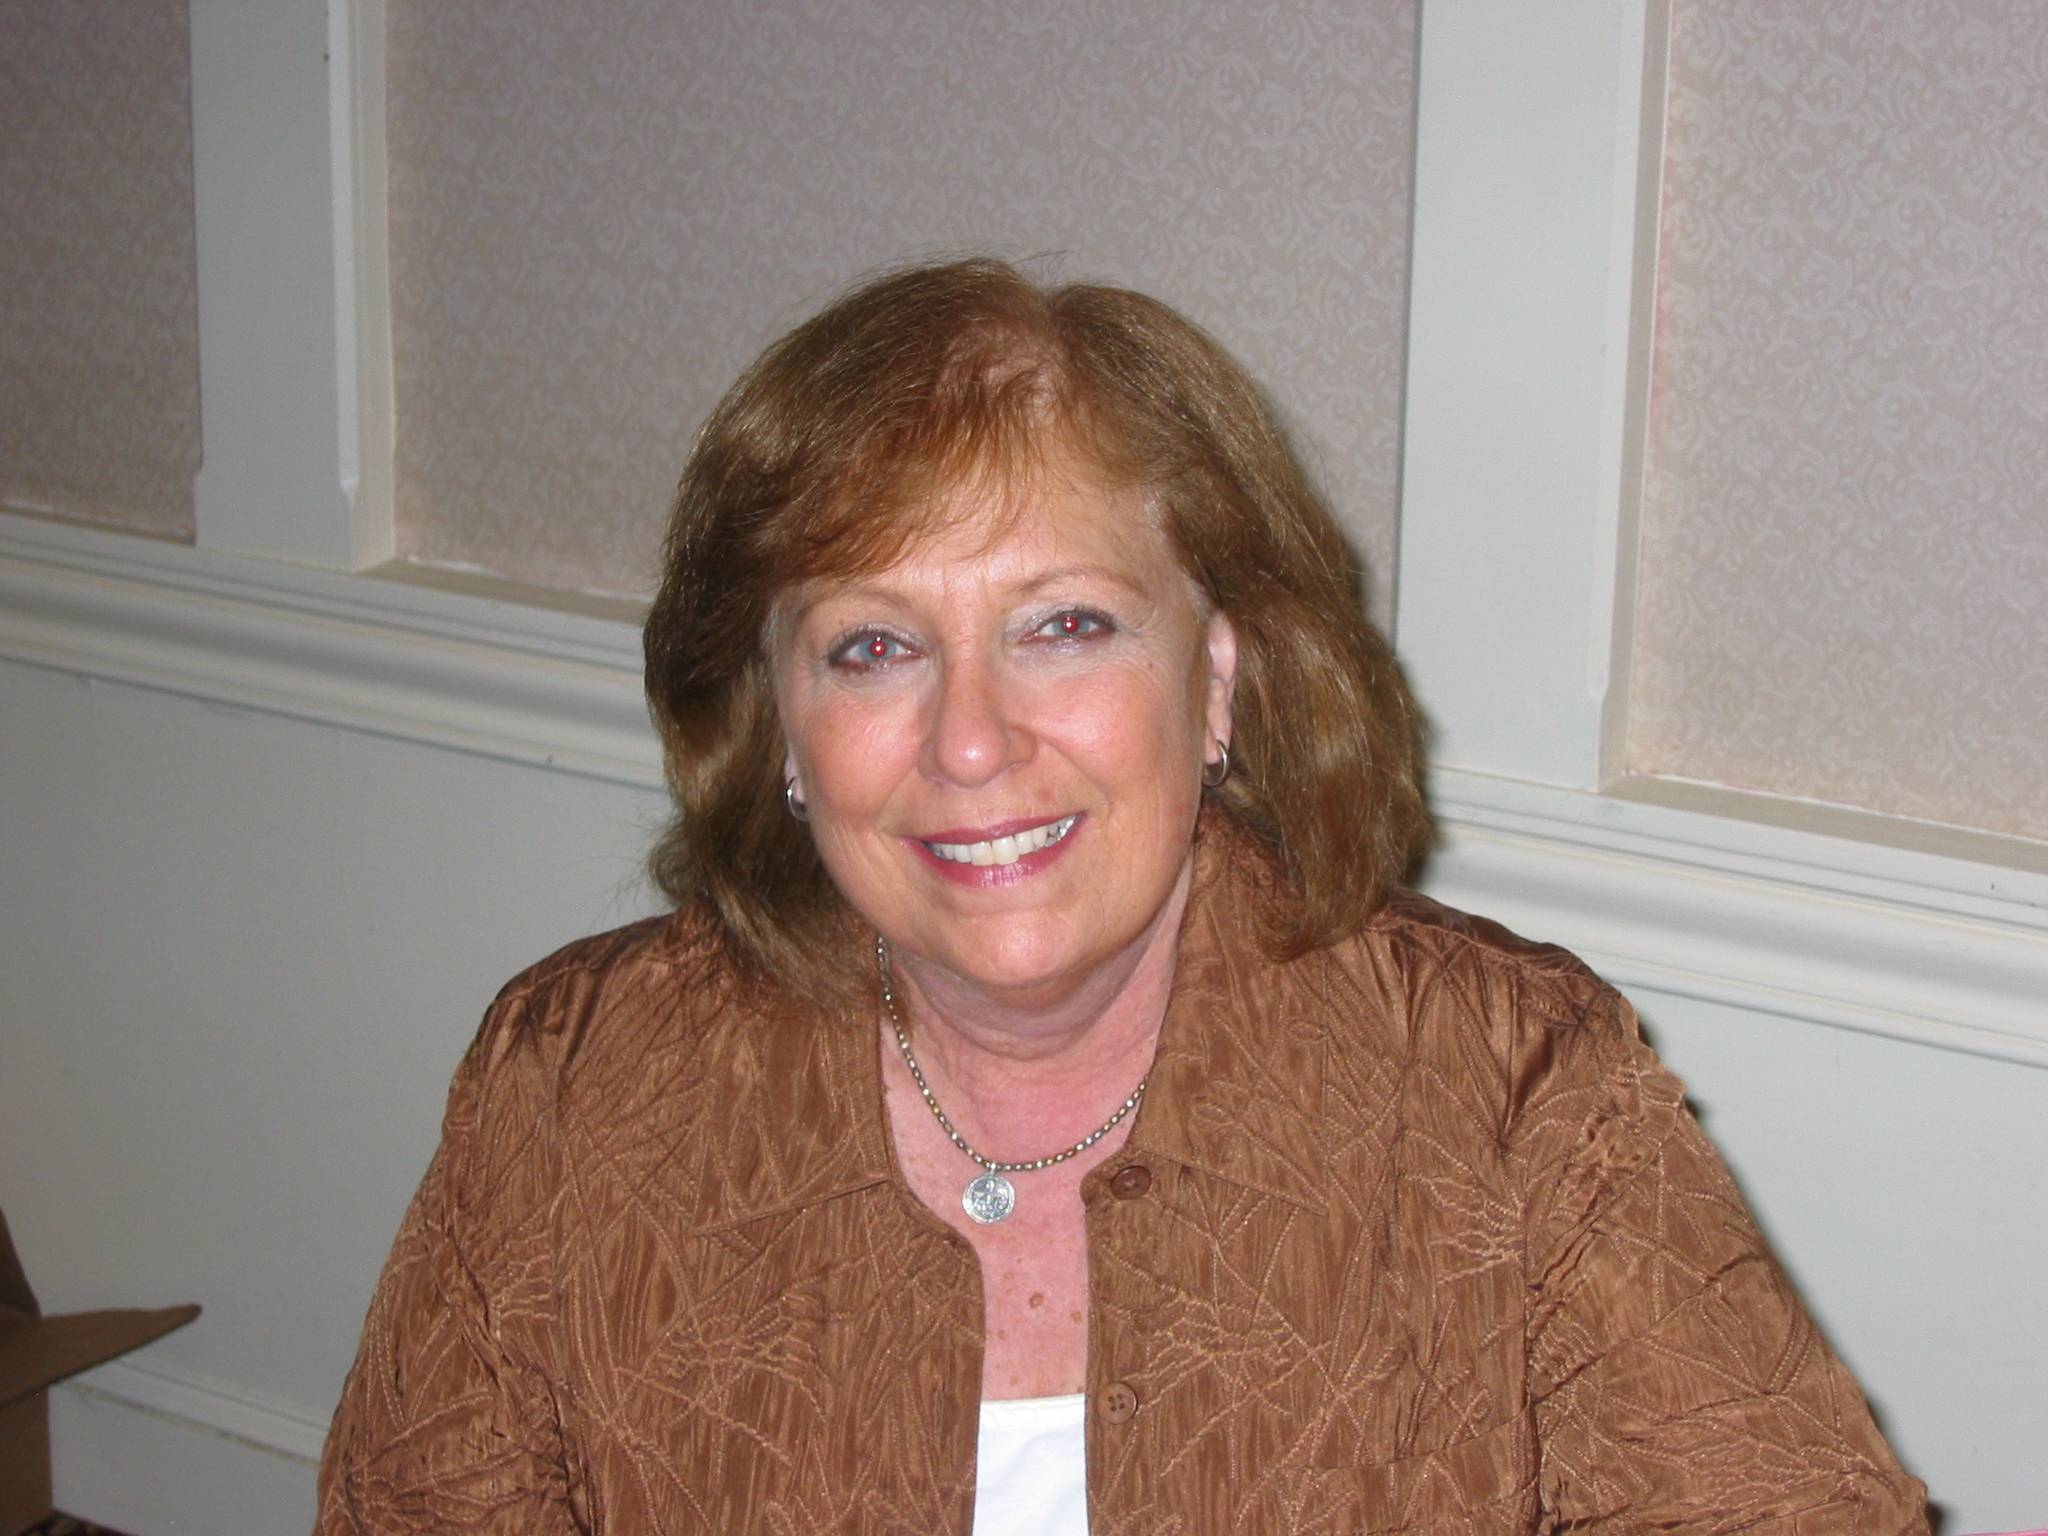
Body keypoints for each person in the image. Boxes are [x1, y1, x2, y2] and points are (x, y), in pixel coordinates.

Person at [317, 258, 1928, 1533]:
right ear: (780, 730)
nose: (970, 740)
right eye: (872, 646)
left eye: (1066, 625)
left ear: (1217, 677)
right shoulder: (576, 1089)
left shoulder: (1509, 1089)